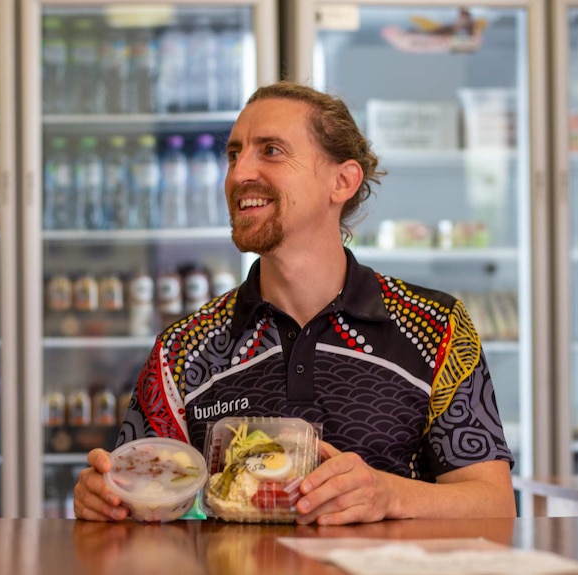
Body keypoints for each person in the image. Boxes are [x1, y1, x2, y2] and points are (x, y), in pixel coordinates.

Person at [74, 81, 516, 524]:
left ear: (341, 181)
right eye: (233, 154)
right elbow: (138, 500)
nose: (239, 173)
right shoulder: (181, 350)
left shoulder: (435, 328)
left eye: (270, 151)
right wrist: (107, 499)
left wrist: (389, 496)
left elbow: (494, 505)